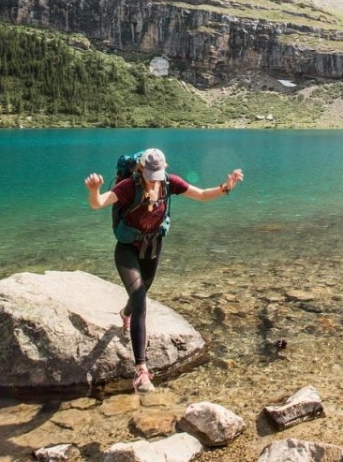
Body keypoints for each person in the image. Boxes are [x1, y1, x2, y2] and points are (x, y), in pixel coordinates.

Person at [84, 148, 243, 393]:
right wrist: (94, 190)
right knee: (140, 299)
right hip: (127, 250)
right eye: (149, 174)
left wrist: (226, 186)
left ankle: (125, 314)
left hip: (152, 249)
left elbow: (200, 195)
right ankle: (141, 372)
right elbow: (99, 204)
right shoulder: (129, 186)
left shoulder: (169, 183)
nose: (154, 179)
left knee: (140, 295)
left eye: (157, 173)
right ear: (140, 169)